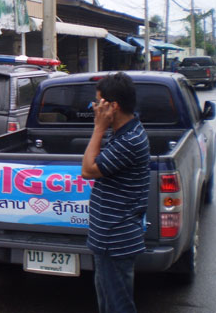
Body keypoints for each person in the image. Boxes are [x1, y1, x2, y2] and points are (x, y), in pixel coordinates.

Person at [81, 72, 150, 313]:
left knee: (118, 306)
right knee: (108, 303)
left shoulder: (129, 140)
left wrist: (98, 128)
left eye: (98, 102)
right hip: (108, 238)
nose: (94, 108)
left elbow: (88, 170)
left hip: (115, 239)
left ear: (113, 106)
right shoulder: (124, 132)